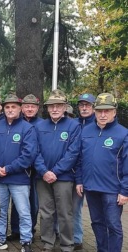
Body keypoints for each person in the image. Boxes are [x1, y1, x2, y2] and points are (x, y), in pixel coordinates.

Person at [75, 93, 128, 252]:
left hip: (112, 190)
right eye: (99, 111)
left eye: (107, 111)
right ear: (95, 111)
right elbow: (80, 158)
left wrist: (125, 190)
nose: (103, 115)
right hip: (91, 188)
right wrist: (79, 180)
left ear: (114, 112)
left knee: (113, 226)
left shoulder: (123, 133)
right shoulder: (86, 131)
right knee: (97, 223)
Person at [0, 94, 37, 252]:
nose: (10, 109)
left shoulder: (27, 128)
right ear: (3, 108)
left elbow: (28, 155)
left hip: (19, 179)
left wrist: (8, 169)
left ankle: (26, 241)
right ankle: (0, 238)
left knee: (23, 211)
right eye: (7, 107)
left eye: (13, 107)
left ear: (20, 109)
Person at [34, 89, 81, 252]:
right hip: (43, 177)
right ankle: (47, 243)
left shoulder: (74, 126)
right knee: (46, 212)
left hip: (64, 177)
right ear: (47, 108)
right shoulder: (40, 126)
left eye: (59, 106)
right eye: (51, 106)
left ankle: (67, 244)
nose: (55, 109)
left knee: (65, 212)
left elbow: (73, 153)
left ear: (64, 108)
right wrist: (44, 171)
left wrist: (55, 171)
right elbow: (35, 151)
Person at [8, 94, 43, 241]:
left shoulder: (42, 124)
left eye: (32, 106)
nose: (29, 109)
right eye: (27, 106)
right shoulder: (16, 122)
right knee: (17, 202)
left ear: (37, 108)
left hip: (35, 170)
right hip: (19, 169)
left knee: (33, 203)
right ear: (22, 108)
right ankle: (16, 230)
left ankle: (30, 230)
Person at [72, 93, 95, 250]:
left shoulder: (100, 123)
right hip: (75, 173)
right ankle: (76, 238)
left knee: (98, 213)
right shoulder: (73, 123)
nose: (84, 107)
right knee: (75, 208)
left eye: (88, 105)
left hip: (94, 174)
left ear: (94, 107)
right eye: (82, 105)